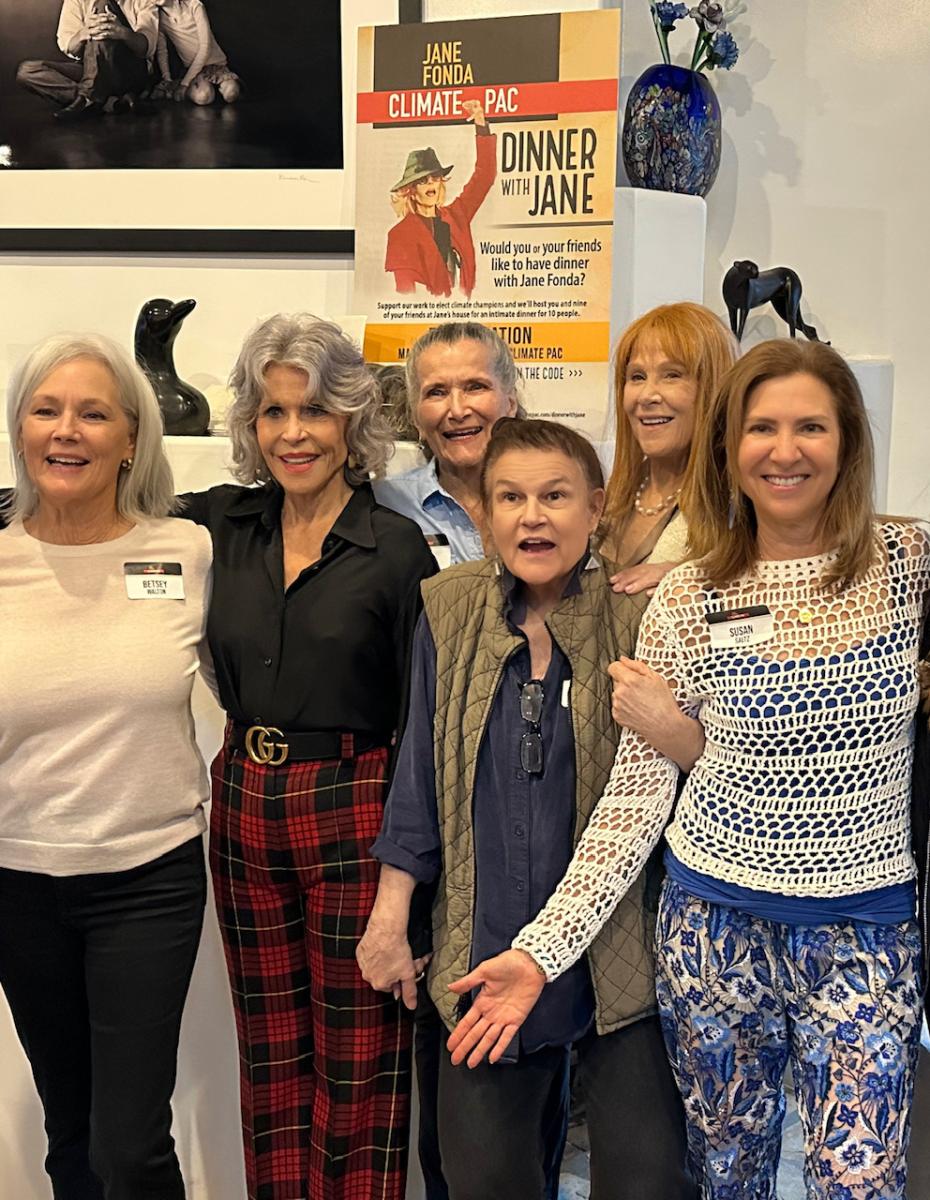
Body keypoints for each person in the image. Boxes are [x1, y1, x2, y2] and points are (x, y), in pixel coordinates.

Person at [449, 341, 930, 1200]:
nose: (785, 451)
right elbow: (633, 804)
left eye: (811, 427)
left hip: (863, 930)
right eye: (762, 428)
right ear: (731, 448)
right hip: (713, 932)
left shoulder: (908, 563)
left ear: (849, 442)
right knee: (726, 1175)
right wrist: (540, 954)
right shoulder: (690, 596)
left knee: (861, 1179)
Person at [358, 417, 701, 1200]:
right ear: (484, 510)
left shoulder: (641, 613)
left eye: (555, 496)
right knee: (484, 1179)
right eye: (511, 497)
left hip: (624, 957)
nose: (532, 517)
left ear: (596, 507)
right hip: (484, 945)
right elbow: (417, 778)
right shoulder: (447, 608)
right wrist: (389, 917)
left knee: (647, 1182)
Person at [179, 313, 436, 1200]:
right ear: (251, 423)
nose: (294, 433)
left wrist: (406, 878)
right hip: (243, 801)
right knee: (270, 1052)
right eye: (274, 412)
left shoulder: (395, 549)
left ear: (351, 420)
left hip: (353, 802)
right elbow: (103, 505)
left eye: (315, 411)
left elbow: (422, 726)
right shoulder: (220, 525)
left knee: (359, 1056)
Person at [0, 333, 211, 1199]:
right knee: (72, 1132)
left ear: (131, 438)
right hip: (18, 881)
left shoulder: (190, 550)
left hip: (148, 879)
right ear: (19, 429)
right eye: (45, 410)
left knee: (131, 1144)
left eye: (93, 413)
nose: (67, 430)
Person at [600, 301, 737, 597]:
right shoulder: (608, 497)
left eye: (672, 375)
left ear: (713, 388)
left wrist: (692, 579)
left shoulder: (741, 506)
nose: (647, 395)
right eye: (637, 377)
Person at [374, 322, 524, 567]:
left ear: (510, 403)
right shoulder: (382, 504)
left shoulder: (558, 497)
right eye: (437, 392)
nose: (457, 411)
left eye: (475, 387)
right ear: (415, 416)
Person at [385, 101, 495, 297]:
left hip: (467, 312)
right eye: (422, 181)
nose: (430, 184)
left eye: (435, 178)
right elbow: (406, 295)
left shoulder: (457, 215)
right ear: (411, 191)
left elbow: (485, 175)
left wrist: (480, 124)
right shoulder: (399, 234)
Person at [16, 0, 158, 121]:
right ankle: (110, 102)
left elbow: (146, 48)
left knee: (102, 6)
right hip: (90, 68)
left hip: (128, 71)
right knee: (28, 71)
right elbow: (68, 46)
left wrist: (122, 33)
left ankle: (89, 97)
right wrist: (84, 33)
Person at [151, 0, 240, 106]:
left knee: (231, 92)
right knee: (203, 96)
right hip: (194, 72)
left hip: (216, 65)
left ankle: (214, 88)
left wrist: (184, 84)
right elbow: (162, 52)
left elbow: (205, 47)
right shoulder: (159, 19)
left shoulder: (194, 6)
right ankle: (177, 88)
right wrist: (167, 78)